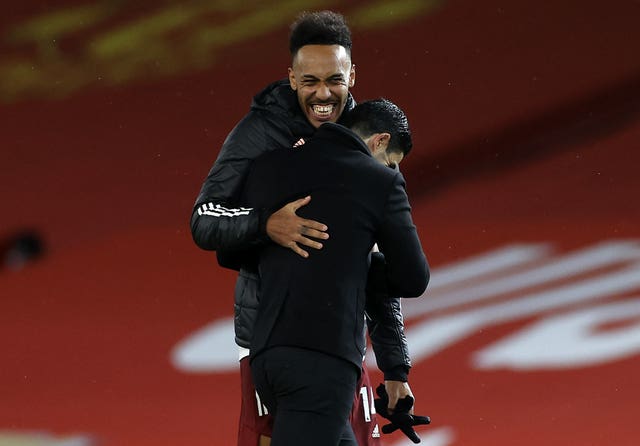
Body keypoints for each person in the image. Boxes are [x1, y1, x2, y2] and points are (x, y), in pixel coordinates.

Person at [191, 11, 416, 445]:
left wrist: (394, 366)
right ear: (291, 79)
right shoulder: (259, 134)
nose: (323, 94)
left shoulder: (370, 139)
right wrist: (264, 224)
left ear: (352, 74)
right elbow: (204, 219)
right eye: (309, 81)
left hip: (339, 344)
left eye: (334, 79)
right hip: (270, 342)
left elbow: (377, 263)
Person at [245, 98, 429, 446]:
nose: (391, 171)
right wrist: (355, 268)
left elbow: (230, 248)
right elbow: (412, 278)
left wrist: (395, 370)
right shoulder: (378, 182)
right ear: (380, 142)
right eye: (391, 163)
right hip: (322, 357)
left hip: (268, 352)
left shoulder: (269, 166)